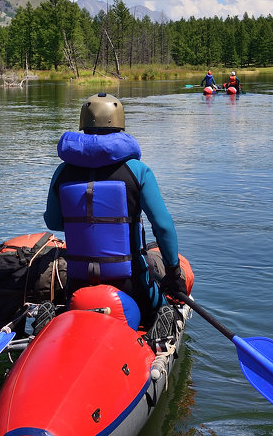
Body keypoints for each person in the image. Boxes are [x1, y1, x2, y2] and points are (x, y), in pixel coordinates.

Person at [44, 92, 184, 328]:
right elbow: (163, 226)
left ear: (83, 125)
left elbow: (54, 222)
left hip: (78, 283)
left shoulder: (62, 171)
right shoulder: (137, 170)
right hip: (131, 282)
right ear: (119, 123)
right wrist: (173, 272)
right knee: (164, 310)